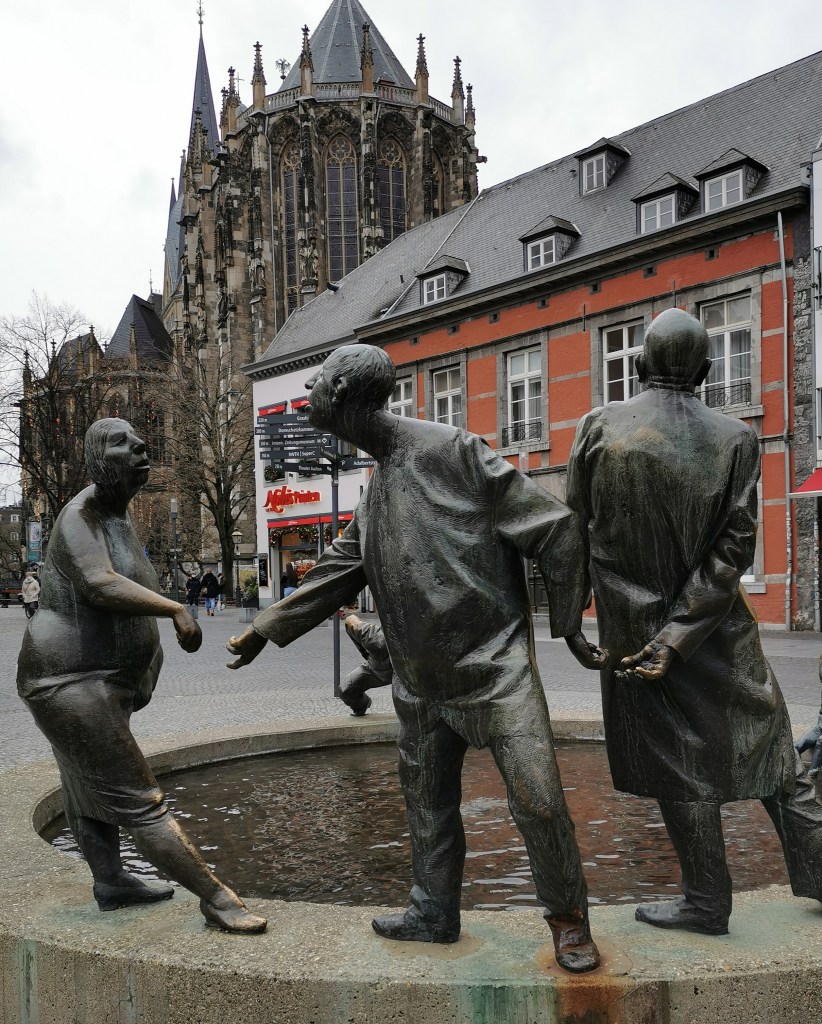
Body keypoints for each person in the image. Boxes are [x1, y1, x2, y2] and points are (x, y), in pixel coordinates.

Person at [226, 344, 606, 974]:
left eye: (316, 385)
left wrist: (568, 627)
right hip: (420, 683)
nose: (307, 396)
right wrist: (266, 627)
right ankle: (432, 912)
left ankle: (568, 922)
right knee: (428, 808)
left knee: (538, 801)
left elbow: (557, 529)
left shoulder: (455, 452)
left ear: (342, 392)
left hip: (496, 671)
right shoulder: (375, 487)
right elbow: (339, 569)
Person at [566, 307, 822, 936]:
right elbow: (735, 548)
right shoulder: (737, 438)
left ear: (641, 365)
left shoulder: (598, 426)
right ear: (707, 371)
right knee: (773, 748)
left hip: (633, 632)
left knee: (675, 762)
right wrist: (682, 633)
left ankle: (707, 900)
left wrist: (572, 616)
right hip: (716, 626)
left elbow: (572, 530)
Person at [17, 418, 266, 934]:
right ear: (95, 460)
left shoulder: (119, 515)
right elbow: (98, 583)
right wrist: (174, 608)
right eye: (121, 442)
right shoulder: (79, 516)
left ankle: (112, 882)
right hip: (67, 680)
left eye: (138, 440)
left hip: (101, 680)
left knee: (86, 788)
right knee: (140, 799)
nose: (139, 446)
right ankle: (217, 899)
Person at [796, 656, 822, 778]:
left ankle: (810, 779)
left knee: (821, 741)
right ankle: (794, 773)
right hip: (820, 725)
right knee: (797, 746)